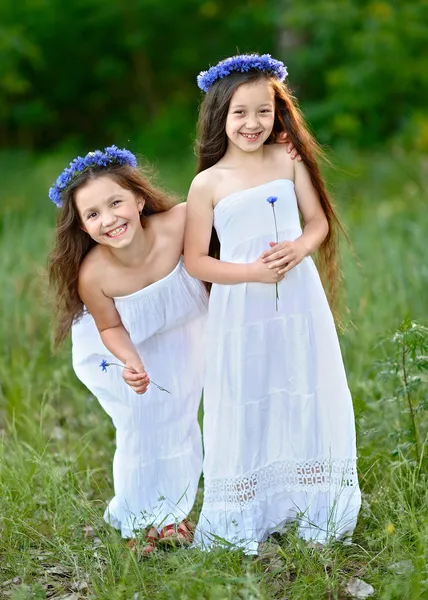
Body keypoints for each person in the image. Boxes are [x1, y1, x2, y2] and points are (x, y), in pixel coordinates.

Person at [184, 54, 361, 554]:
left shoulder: (287, 160)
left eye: (263, 111)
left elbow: (318, 224)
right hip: (241, 310)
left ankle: (311, 501)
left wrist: (299, 248)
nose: (252, 123)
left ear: (277, 112)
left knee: (302, 383)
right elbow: (197, 260)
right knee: (250, 391)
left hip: (298, 300)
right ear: (220, 115)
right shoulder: (208, 184)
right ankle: (248, 510)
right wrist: (251, 274)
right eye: (240, 113)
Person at [48, 146, 208, 555]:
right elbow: (109, 326)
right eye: (93, 214)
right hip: (118, 348)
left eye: (115, 202)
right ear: (83, 227)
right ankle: (138, 517)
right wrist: (131, 362)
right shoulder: (95, 274)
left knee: (179, 413)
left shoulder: (180, 222)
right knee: (141, 423)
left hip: (181, 326)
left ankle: (171, 515)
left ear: (139, 200)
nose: (109, 219)